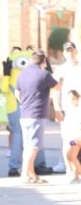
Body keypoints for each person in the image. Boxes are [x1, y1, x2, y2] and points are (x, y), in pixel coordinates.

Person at [16, 50, 60, 184]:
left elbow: (17, 93)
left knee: (27, 145)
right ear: (44, 62)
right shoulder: (44, 74)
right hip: (37, 114)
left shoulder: (22, 74)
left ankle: (31, 174)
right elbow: (58, 87)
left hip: (25, 114)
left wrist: (24, 103)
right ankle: (24, 174)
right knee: (33, 146)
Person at [53, 42, 81, 177]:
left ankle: (77, 170)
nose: (70, 53)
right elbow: (55, 91)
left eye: (72, 50)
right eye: (67, 51)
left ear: (76, 51)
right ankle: (70, 170)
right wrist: (57, 108)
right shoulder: (61, 70)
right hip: (67, 112)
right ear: (64, 53)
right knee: (68, 141)